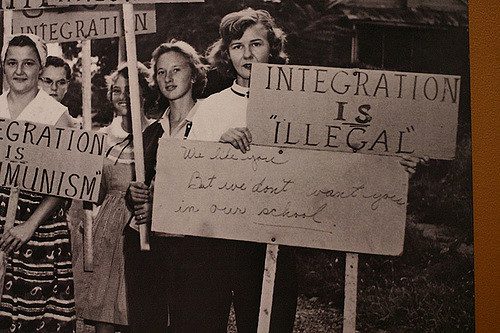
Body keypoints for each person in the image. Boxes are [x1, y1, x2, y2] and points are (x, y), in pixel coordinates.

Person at [126, 40, 226, 332]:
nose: (168, 79)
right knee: (147, 322)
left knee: (194, 322)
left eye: (176, 70)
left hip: (194, 246)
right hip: (146, 244)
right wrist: (134, 195)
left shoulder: (213, 124)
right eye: (160, 72)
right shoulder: (151, 131)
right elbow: (139, 189)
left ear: (194, 74)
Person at [0, 34, 75, 333]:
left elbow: (66, 182)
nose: (19, 71)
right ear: (3, 67)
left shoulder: (56, 115)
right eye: (12, 63)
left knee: (34, 320)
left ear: (39, 68)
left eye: (28, 63)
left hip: (39, 229)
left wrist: (29, 226)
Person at [73, 62, 153, 333]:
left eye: (131, 90)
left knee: (140, 309)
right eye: (117, 90)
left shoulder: (158, 133)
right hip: (108, 233)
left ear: (145, 93)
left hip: (144, 226)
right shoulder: (102, 137)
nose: (123, 96)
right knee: (104, 313)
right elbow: (91, 194)